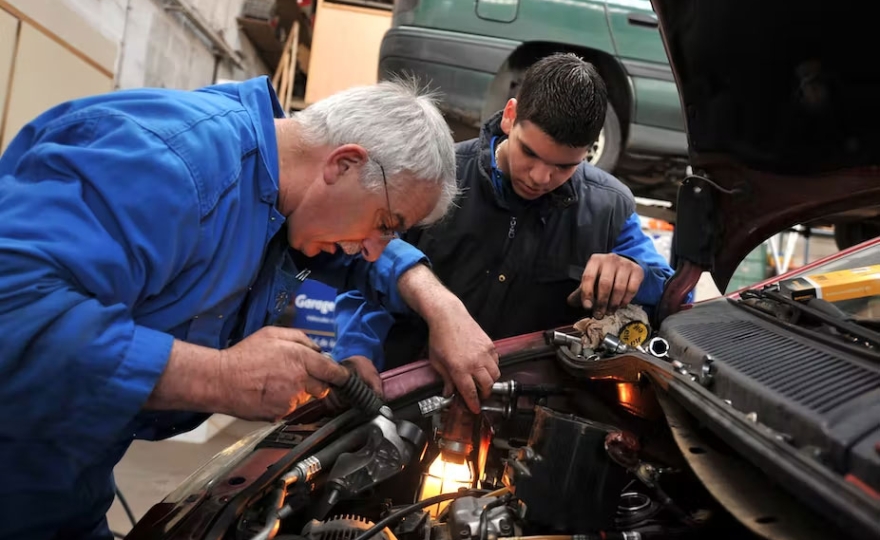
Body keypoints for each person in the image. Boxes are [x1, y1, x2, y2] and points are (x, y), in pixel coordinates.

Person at [0, 76, 458, 540]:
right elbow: (14, 314)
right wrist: (219, 376)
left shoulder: (283, 203)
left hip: (65, 484)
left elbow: (354, 272)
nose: (374, 250)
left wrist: (437, 306)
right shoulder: (168, 161)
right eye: (385, 224)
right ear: (343, 164)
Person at [330, 53, 693, 412]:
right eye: (530, 153)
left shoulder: (609, 209)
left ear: (589, 150)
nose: (540, 177)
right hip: (410, 401)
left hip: (531, 416)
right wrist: (356, 351)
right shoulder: (432, 180)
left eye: (564, 166)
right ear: (509, 116)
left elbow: (676, 296)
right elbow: (366, 273)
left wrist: (636, 273)